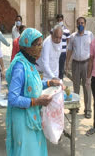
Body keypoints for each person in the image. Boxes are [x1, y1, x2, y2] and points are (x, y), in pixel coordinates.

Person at [6, 28, 62, 156]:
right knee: (26, 151)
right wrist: (36, 101)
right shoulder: (20, 67)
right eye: (37, 45)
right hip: (23, 118)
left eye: (41, 44)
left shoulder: (29, 63)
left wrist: (49, 83)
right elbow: (13, 98)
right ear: (26, 46)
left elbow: (32, 84)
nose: (40, 48)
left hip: (32, 114)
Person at [66, 17, 94, 118]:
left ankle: (88, 109)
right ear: (76, 24)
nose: (80, 25)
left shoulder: (90, 35)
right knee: (76, 87)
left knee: (87, 86)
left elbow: (93, 50)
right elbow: (69, 50)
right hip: (75, 64)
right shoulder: (73, 36)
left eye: (82, 23)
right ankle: (75, 107)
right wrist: (67, 63)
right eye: (78, 23)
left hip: (86, 64)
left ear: (85, 24)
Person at [56, 14, 71, 79]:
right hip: (55, 52)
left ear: (63, 20)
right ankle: (55, 81)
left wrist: (67, 50)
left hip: (63, 52)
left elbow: (68, 41)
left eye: (61, 20)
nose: (60, 21)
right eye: (58, 20)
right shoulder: (54, 30)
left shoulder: (66, 30)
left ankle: (61, 81)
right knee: (55, 67)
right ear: (57, 20)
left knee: (61, 68)